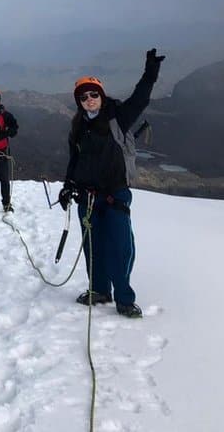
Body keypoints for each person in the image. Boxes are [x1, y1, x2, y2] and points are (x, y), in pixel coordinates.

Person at [58, 48, 165, 319]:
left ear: (101, 95)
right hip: (87, 196)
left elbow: (140, 99)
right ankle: (99, 290)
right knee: (93, 247)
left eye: (93, 94)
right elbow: (75, 160)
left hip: (115, 193)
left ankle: (124, 299)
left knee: (121, 247)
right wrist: (68, 185)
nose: (89, 100)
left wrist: (150, 72)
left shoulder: (119, 116)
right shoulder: (78, 127)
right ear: (79, 102)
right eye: (84, 97)